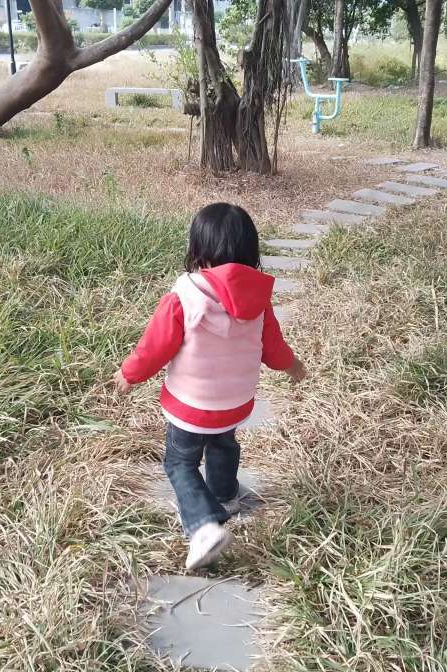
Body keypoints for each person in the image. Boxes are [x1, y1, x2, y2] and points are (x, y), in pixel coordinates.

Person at [114, 202, 306, 571]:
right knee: (222, 443)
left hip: (190, 405)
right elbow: (273, 348)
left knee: (180, 462)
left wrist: (130, 374)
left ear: (198, 249)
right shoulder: (259, 300)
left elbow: (154, 347)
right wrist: (292, 366)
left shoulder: (184, 295)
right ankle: (226, 495)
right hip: (235, 403)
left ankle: (203, 526)